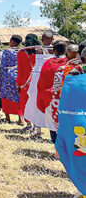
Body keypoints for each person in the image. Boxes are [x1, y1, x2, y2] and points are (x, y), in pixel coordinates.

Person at [56, 49, 86, 198]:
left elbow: (65, 106)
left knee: (81, 156)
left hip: (78, 125)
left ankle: (82, 187)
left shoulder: (72, 76)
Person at [37, 41, 68, 152]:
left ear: (54, 50)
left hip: (50, 99)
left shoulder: (48, 64)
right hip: (66, 99)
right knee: (66, 123)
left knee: (52, 123)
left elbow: (41, 83)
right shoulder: (70, 64)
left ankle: (57, 150)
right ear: (65, 50)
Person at [16, 34, 41, 131]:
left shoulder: (21, 53)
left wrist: (18, 84)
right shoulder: (41, 51)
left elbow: (20, 70)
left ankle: (29, 125)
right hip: (38, 81)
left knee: (25, 103)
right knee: (36, 103)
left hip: (25, 82)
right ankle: (37, 126)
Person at [0, 35, 23, 124]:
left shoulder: (7, 51)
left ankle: (8, 118)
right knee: (18, 97)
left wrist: (1, 78)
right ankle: (20, 119)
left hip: (8, 76)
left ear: (12, 42)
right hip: (19, 76)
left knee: (5, 96)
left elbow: (3, 64)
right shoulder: (22, 51)